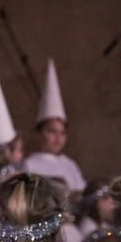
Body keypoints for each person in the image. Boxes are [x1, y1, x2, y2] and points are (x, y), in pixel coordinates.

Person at [23, 60, 85, 193]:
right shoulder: (30, 165)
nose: (58, 138)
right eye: (52, 131)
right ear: (39, 134)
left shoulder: (70, 165)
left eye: (62, 133)